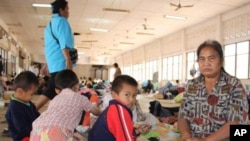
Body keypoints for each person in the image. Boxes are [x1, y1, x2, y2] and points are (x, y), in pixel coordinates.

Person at [177, 40, 249, 141]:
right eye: (202, 59)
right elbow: (182, 115)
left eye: (211, 58)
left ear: (221, 61)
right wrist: (186, 136)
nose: (206, 63)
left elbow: (237, 122)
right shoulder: (191, 85)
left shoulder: (234, 85)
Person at [30, 69, 100, 141]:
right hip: (57, 133)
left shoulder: (54, 99)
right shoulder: (80, 98)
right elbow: (96, 112)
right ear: (76, 86)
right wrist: (101, 111)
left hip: (36, 131)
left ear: (57, 89)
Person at [35, 0, 75, 110]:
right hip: (61, 62)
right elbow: (63, 42)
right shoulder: (62, 21)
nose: (68, 12)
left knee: (57, 90)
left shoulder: (50, 24)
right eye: (67, 9)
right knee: (55, 89)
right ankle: (32, 111)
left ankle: (56, 112)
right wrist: (68, 59)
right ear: (61, 10)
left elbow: (49, 47)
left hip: (54, 63)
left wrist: (47, 64)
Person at [88, 75, 151, 141]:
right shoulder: (119, 111)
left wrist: (137, 131)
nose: (132, 99)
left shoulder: (115, 108)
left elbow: (121, 132)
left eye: (134, 95)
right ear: (114, 95)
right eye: (127, 95)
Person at [5, 71, 40, 141]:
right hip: (22, 138)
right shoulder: (14, 108)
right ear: (20, 91)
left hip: (32, 132)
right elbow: (22, 129)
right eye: (31, 94)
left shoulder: (28, 102)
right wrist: (37, 128)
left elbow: (38, 116)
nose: (32, 97)